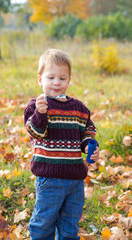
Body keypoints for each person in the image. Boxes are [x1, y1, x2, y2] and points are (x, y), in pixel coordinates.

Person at [24, 49, 99, 240]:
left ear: (69, 80)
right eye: (51, 77)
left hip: (75, 179)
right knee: (44, 222)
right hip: (50, 177)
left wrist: (89, 145)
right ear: (40, 79)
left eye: (62, 78)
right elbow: (35, 134)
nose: (57, 82)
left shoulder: (79, 109)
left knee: (70, 224)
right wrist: (41, 114)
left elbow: (87, 130)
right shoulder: (36, 106)